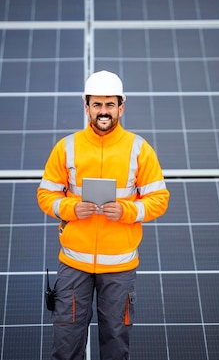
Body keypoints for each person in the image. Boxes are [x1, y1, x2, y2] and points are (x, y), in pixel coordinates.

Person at [37, 70, 170, 360]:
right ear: (86, 107)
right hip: (74, 263)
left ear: (121, 106)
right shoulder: (67, 147)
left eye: (110, 105)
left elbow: (160, 200)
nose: (103, 111)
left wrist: (127, 210)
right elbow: (45, 195)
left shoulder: (139, 150)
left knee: (115, 341)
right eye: (97, 105)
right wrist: (72, 208)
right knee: (66, 342)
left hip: (120, 265)